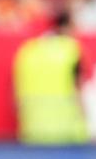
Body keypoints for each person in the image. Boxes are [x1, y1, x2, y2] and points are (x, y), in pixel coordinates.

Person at [13, 11, 89, 145]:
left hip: (33, 130)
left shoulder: (28, 50)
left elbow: (16, 96)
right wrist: (84, 114)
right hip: (66, 130)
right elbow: (78, 87)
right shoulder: (71, 49)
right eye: (74, 26)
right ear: (64, 27)